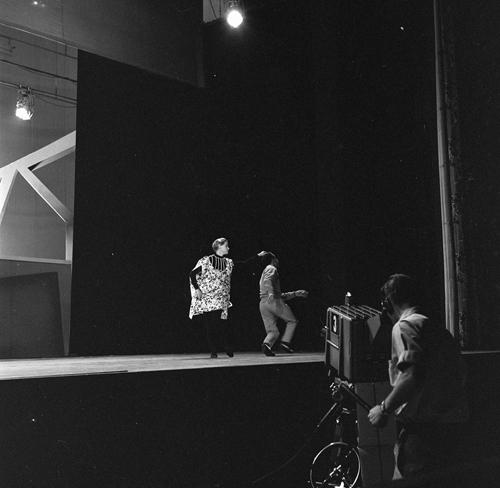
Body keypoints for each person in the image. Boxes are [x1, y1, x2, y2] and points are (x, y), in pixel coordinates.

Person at [368, 274, 469, 480]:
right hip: (453, 431)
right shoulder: (438, 329)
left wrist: (384, 409)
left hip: (424, 437)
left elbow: (412, 374)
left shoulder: (404, 327)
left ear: (387, 303)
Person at [189, 238, 265, 358]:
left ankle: (225, 345)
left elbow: (244, 264)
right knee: (211, 324)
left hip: (221, 298)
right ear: (219, 246)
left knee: (220, 323)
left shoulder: (228, 262)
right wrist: (197, 289)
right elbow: (192, 274)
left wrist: (258, 256)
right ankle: (214, 350)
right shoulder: (206, 261)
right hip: (208, 298)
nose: (228, 248)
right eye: (226, 246)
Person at [258, 252, 308, 356]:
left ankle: (267, 344)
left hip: (263, 304)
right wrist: (271, 293)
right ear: (272, 259)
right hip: (273, 302)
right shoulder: (271, 268)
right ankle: (285, 343)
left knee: (272, 331)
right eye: (276, 258)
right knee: (292, 321)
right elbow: (268, 281)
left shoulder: (264, 272)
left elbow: (279, 295)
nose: (277, 260)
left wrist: (295, 294)